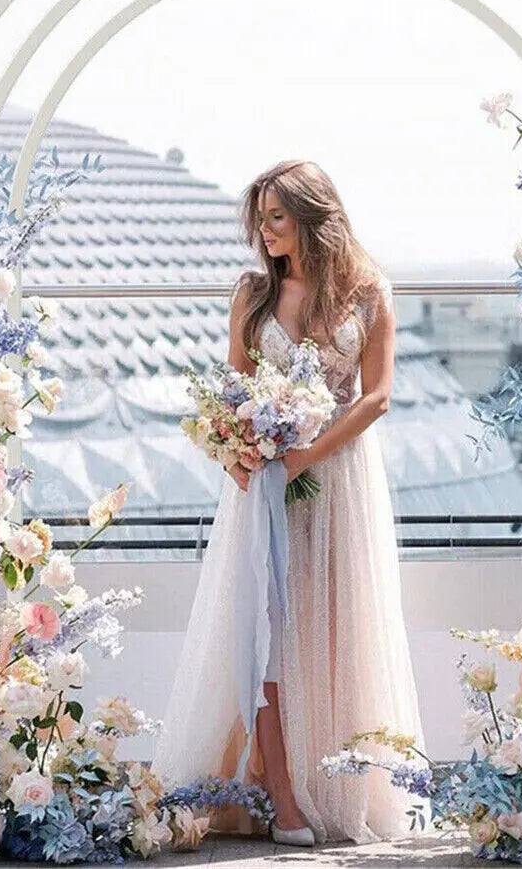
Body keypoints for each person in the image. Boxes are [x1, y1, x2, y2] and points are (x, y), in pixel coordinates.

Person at [150, 160, 428, 847]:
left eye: (277, 216)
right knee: (265, 631)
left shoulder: (368, 293)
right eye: (260, 219)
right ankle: (282, 801)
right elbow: (232, 394)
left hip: (340, 483)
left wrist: (307, 454)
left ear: (313, 215)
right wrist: (238, 457)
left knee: (337, 630)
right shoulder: (251, 294)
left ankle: (343, 785)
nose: (265, 233)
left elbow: (376, 397)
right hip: (265, 486)